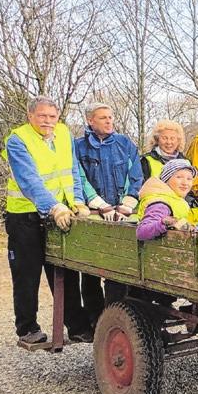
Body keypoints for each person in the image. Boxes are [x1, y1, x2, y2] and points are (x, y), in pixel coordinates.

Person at [4, 95, 92, 344]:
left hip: (61, 214)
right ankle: (27, 329)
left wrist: (77, 201)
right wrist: (53, 207)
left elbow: (72, 170)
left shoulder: (63, 134)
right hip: (26, 217)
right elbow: (29, 181)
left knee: (66, 271)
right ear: (30, 116)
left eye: (52, 117)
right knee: (26, 273)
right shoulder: (18, 140)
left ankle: (77, 326)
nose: (47, 121)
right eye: (42, 116)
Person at [76, 102, 144, 328]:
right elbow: (79, 177)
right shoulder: (78, 147)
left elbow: (136, 175)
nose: (109, 121)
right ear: (90, 121)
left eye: (111, 117)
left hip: (123, 213)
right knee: (91, 269)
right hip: (95, 212)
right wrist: (98, 203)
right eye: (103, 117)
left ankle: (117, 320)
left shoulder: (125, 144)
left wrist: (127, 203)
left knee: (121, 268)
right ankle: (96, 321)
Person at [136, 159, 198, 241]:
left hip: (179, 245)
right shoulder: (160, 203)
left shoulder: (174, 199)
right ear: (166, 180)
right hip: (173, 251)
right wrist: (165, 222)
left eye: (189, 179)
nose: (185, 183)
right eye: (179, 177)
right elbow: (142, 232)